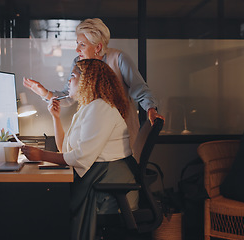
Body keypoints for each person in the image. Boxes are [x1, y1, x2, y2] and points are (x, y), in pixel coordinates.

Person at [21, 59, 138, 240]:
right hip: (100, 176)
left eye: (73, 76)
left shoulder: (100, 108)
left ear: (88, 80)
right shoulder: (88, 107)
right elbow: (64, 149)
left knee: (47, 202)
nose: (69, 81)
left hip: (108, 182)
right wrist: (56, 117)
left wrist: (42, 155)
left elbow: (80, 156)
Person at [23, 18, 164, 148]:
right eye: (77, 43)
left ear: (97, 47)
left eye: (82, 45)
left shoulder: (119, 59)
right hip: (94, 133)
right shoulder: (78, 63)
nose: (77, 49)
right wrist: (44, 92)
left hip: (120, 135)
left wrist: (151, 109)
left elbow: (139, 89)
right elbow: (69, 96)